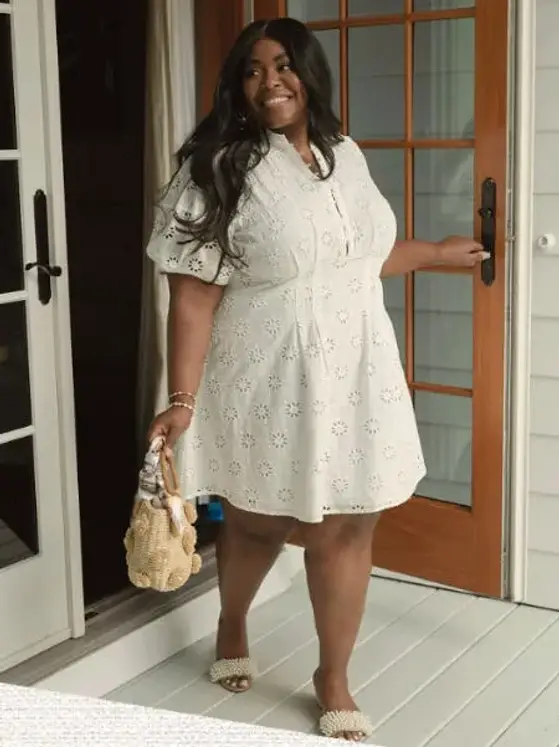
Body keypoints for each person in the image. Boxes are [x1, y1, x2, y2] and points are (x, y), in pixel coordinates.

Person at [146, 17, 488, 742]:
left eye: (283, 65)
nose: (269, 82)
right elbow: (193, 297)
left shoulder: (343, 154)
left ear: (309, 73)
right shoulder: (215, 168)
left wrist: (434, 251)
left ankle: (332, 676)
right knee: (259, 519)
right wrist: (181, 399)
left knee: (350, 520)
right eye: (252, 70)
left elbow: (358, 255)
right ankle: (232, 621)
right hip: (267, 371)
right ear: (236, 85)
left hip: (357, 368)